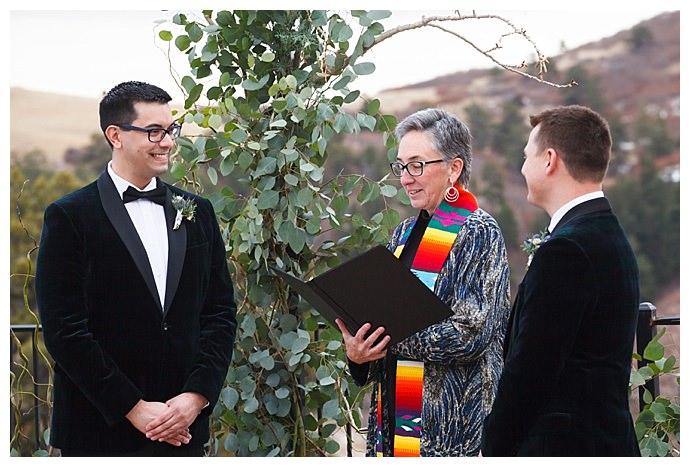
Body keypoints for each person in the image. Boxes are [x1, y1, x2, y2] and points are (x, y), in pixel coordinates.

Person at [35, 81, 238, 456]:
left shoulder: (198, 213)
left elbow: (220, 314)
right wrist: (132, 407)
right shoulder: (69, 216)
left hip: (183, 430)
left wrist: (195, 398)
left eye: (170, 130)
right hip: (99, 430)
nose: (167, 142)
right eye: (154, 131)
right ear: (116, 135)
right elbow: (65, 331)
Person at [335, 108, 511, 456]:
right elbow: (385, 321)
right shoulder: (403, 234)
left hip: (453, 429)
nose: (405, 177)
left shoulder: (479, 232)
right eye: (401, 166)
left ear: (454, 168)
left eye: (417, 165)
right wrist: (360, 352)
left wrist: (389, 336)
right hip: (395, 425)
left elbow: (470, 335)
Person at [480, 105, 641, 456]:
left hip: (566, 445)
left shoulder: (567, 250)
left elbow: (532, 369)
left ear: (549, 160)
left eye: (526, 156)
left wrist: (493, 447)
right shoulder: (609, 233)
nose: (522, 167)